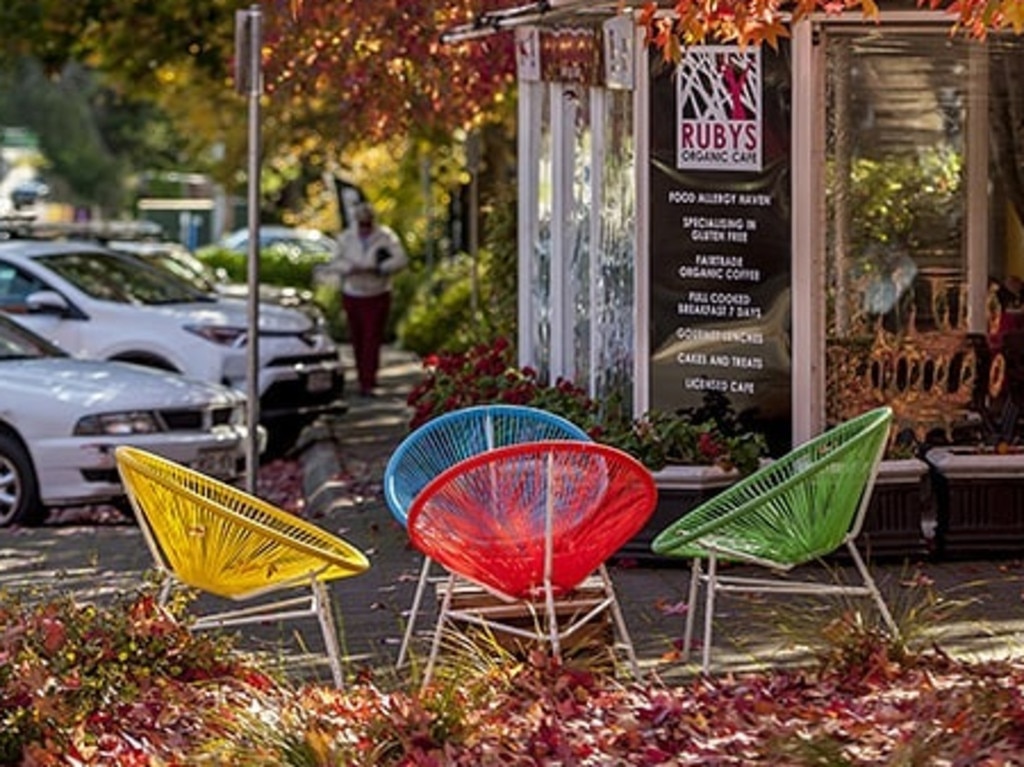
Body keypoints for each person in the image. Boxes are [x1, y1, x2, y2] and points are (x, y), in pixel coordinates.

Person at [328, 202, 408, 397]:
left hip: (377, 292)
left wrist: (380, 267)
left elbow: (400, 259)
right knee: (357, 338)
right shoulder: (346, 237)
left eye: (367, 222)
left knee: (372, 337)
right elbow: (335, 261)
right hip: (353, 292)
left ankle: (369, 379)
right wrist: (349, 268)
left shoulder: (386, 237)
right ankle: (361, 375)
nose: (365, 226)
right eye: (361, 222)